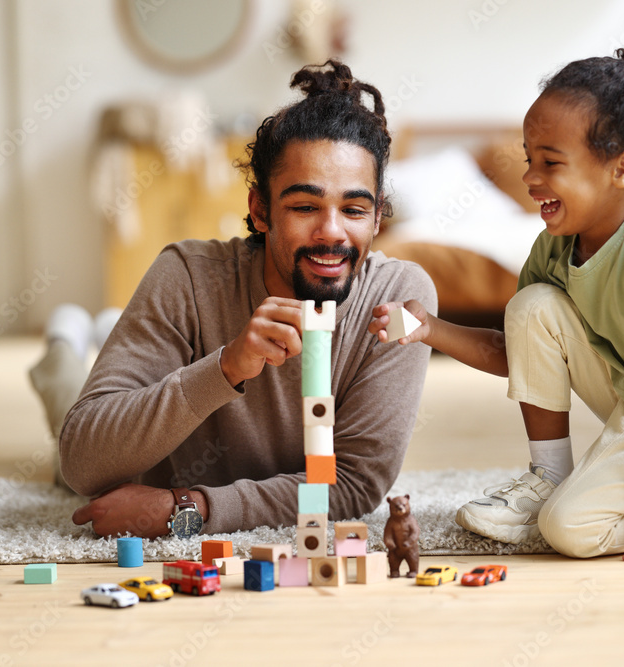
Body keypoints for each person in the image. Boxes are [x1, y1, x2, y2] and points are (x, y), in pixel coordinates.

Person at [369, 10, 624, 566]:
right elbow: (517, 351)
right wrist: (431, 329)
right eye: (529, 159)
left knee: (569, 529)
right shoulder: (555, 247)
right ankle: (550, 476)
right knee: (532, 305)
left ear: (622, 169)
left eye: (551, 162)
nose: (529, 178)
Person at [39, 60, 437, 539]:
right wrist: (227, 367)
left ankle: (101, 336)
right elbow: (84, 463)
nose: (331, 231)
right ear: (260, 210)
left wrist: (185, 508)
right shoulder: (186, 276)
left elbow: (351, 486)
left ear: (377, 220)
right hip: (144, 442)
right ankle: (61, 352)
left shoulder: (400, 300)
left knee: (121, 391)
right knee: (64, 453)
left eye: (353, 209)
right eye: (305, 207)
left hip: (166, 441)